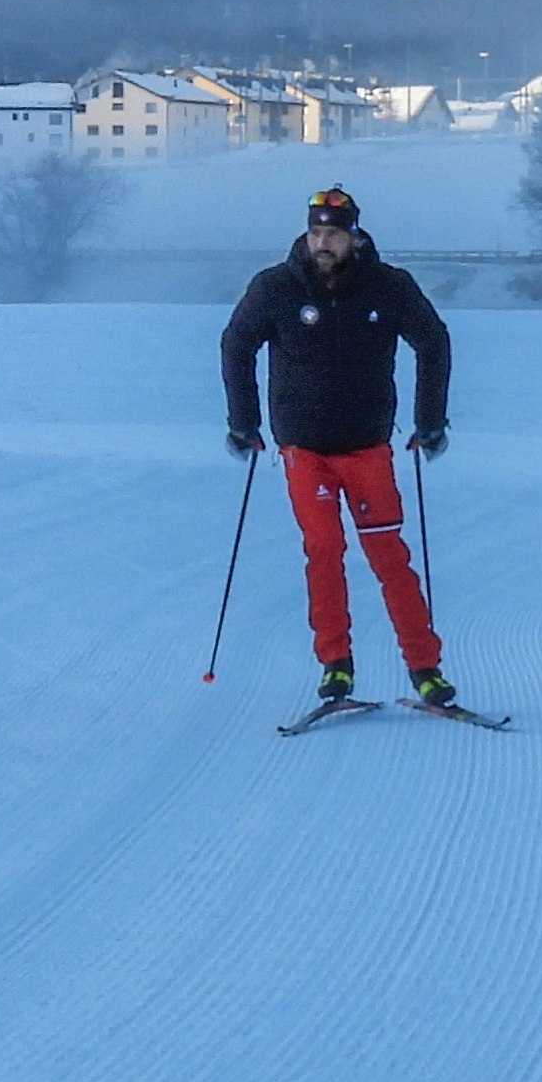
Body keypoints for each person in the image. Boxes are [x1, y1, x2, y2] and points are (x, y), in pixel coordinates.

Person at [219, 183, 456, 708]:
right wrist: (243, 421)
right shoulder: (275, 287)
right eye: (314, 232)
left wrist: (430, 420)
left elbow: (433, 342)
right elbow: (236, 344)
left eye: (332, 234)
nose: (321, 243)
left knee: (389, 557)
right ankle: (336, 667)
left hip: (367, 448)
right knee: (324, 551)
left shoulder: (388, 287)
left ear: (354, 238)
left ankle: (425, 670)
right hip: (304, 449)